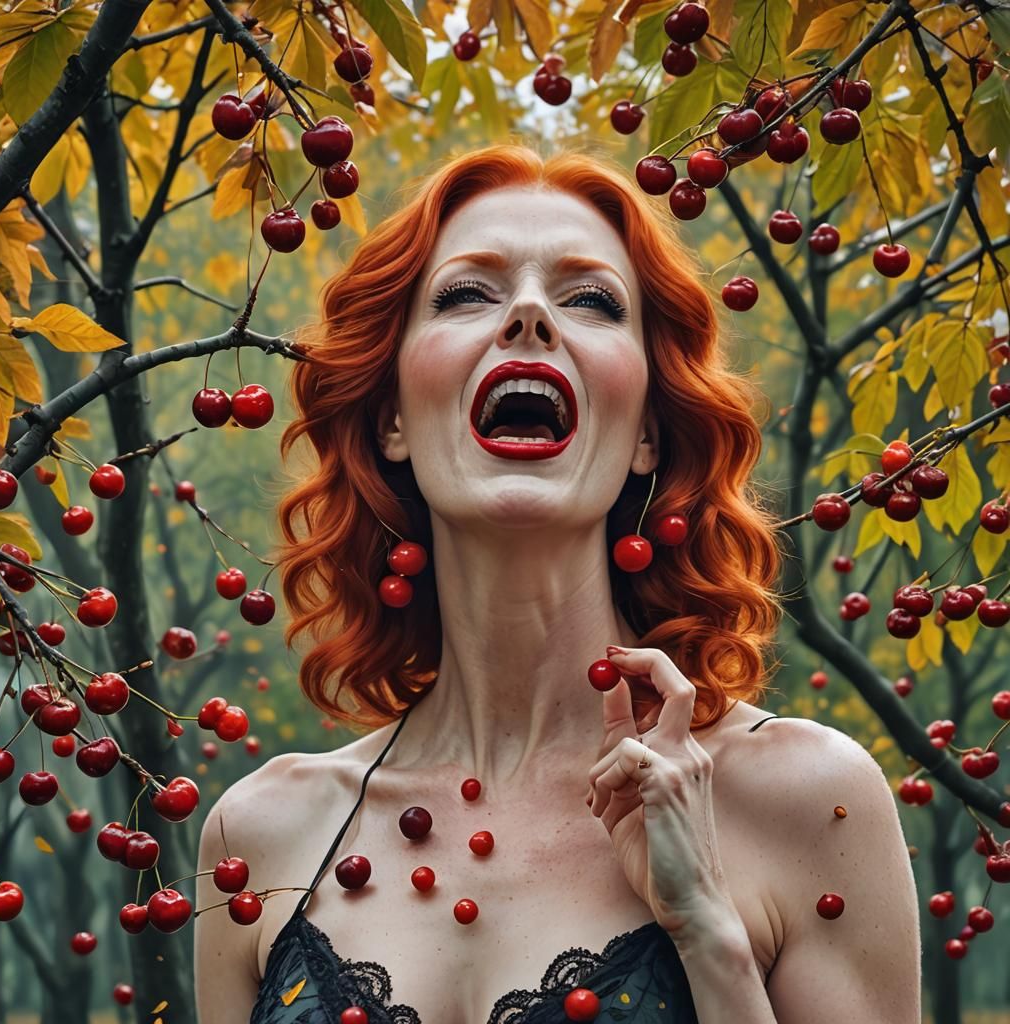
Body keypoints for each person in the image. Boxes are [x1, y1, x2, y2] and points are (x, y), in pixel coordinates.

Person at [195, 144, 921, 1023]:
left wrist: (708, 931)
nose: (530, 313)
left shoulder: (806, 803)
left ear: (648, 432)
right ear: (391, 419)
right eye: (467, 293)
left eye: (592, 300)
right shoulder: (261, 837)